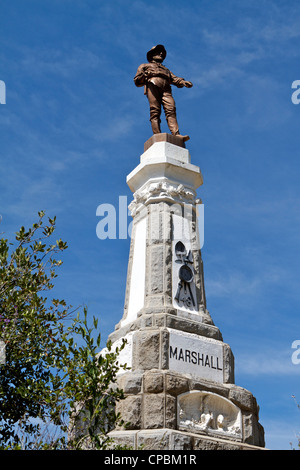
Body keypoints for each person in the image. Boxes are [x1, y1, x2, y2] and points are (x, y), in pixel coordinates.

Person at [134, 45, 193, 140]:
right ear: (152, 55)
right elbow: (137, 81)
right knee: (155, 111)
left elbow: (174, 79)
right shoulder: (144, 66)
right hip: (153, 86)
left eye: (162, 53)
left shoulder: (166, 70)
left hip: (166, 89)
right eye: (158, 52)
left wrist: (183, 82)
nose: (161, 54)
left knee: (171, 109)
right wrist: (145, 75)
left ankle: (176, 134)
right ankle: (157, 135)